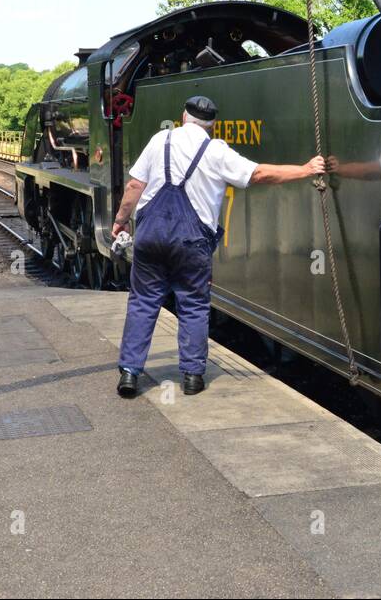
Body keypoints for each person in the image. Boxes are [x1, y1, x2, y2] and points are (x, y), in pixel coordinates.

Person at [112, 95, 325, 397]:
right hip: (192, 241)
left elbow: (135, 186)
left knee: (143, 302)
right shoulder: (216, 150)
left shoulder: (161, 139)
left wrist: (121, 221)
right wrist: (305, 170)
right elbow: (258, 174)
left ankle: (131, 374)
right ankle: (192, 377)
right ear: (212, 125)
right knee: (194, 304)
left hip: (151, 236)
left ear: (183, 117)